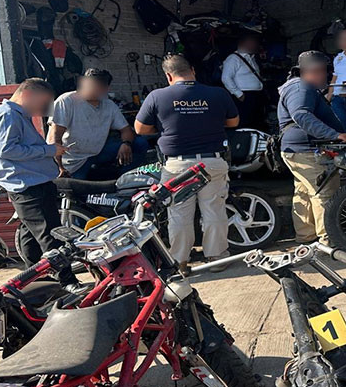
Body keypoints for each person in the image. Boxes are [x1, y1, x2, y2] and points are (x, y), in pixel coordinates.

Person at [134, 54, 239, 274]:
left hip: (177, 166)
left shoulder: (157, 96)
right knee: (214, 210)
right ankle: (217, 258)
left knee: (179, 214)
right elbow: (233, 122)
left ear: (168, 75)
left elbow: (140, 129)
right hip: (212, 162)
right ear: (193, 69)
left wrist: (165, 129)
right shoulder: (217, 93)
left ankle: (180, 262)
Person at [0, 78, 79, 290]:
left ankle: (36, 283)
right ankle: (67, 282)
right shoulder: (8, 115)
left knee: (31, 237)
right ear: (28, 94)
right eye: (44, 101)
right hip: (28, 187)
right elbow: (7, 150)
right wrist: (49, 150)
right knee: (51, 236)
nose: (46, 108)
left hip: (33, 184)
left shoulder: (18, 115)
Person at [278, 51, 346, 244]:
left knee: (304, 193)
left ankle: (306, 235)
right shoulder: (301, 88)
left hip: (297, 150)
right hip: (307, 150)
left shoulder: (297, 87)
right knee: (324, 193)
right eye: (321, 71)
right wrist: (335, 135)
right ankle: (329, 239)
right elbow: (301, 115)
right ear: (310, 71)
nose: (325, 76)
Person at [47, 68, 149, 179]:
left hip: (98, 152)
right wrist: (60, 167)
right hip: (73, 160)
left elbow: (126, 130)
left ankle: (123, 180)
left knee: (140, 143)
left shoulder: (109, 105)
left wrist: (126, 144)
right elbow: (54, 138)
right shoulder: (66, 101)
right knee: (77, 191)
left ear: (106, 88)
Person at [221, 34, 266, 130]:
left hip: (256, 95)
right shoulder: (233, 58)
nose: (254, 46)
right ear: (243, 43)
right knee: (245, 123)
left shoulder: (252, 58)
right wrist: (239, 94)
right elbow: (226, 78)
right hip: (244, 96)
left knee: (256, 122)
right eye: (251, 43)